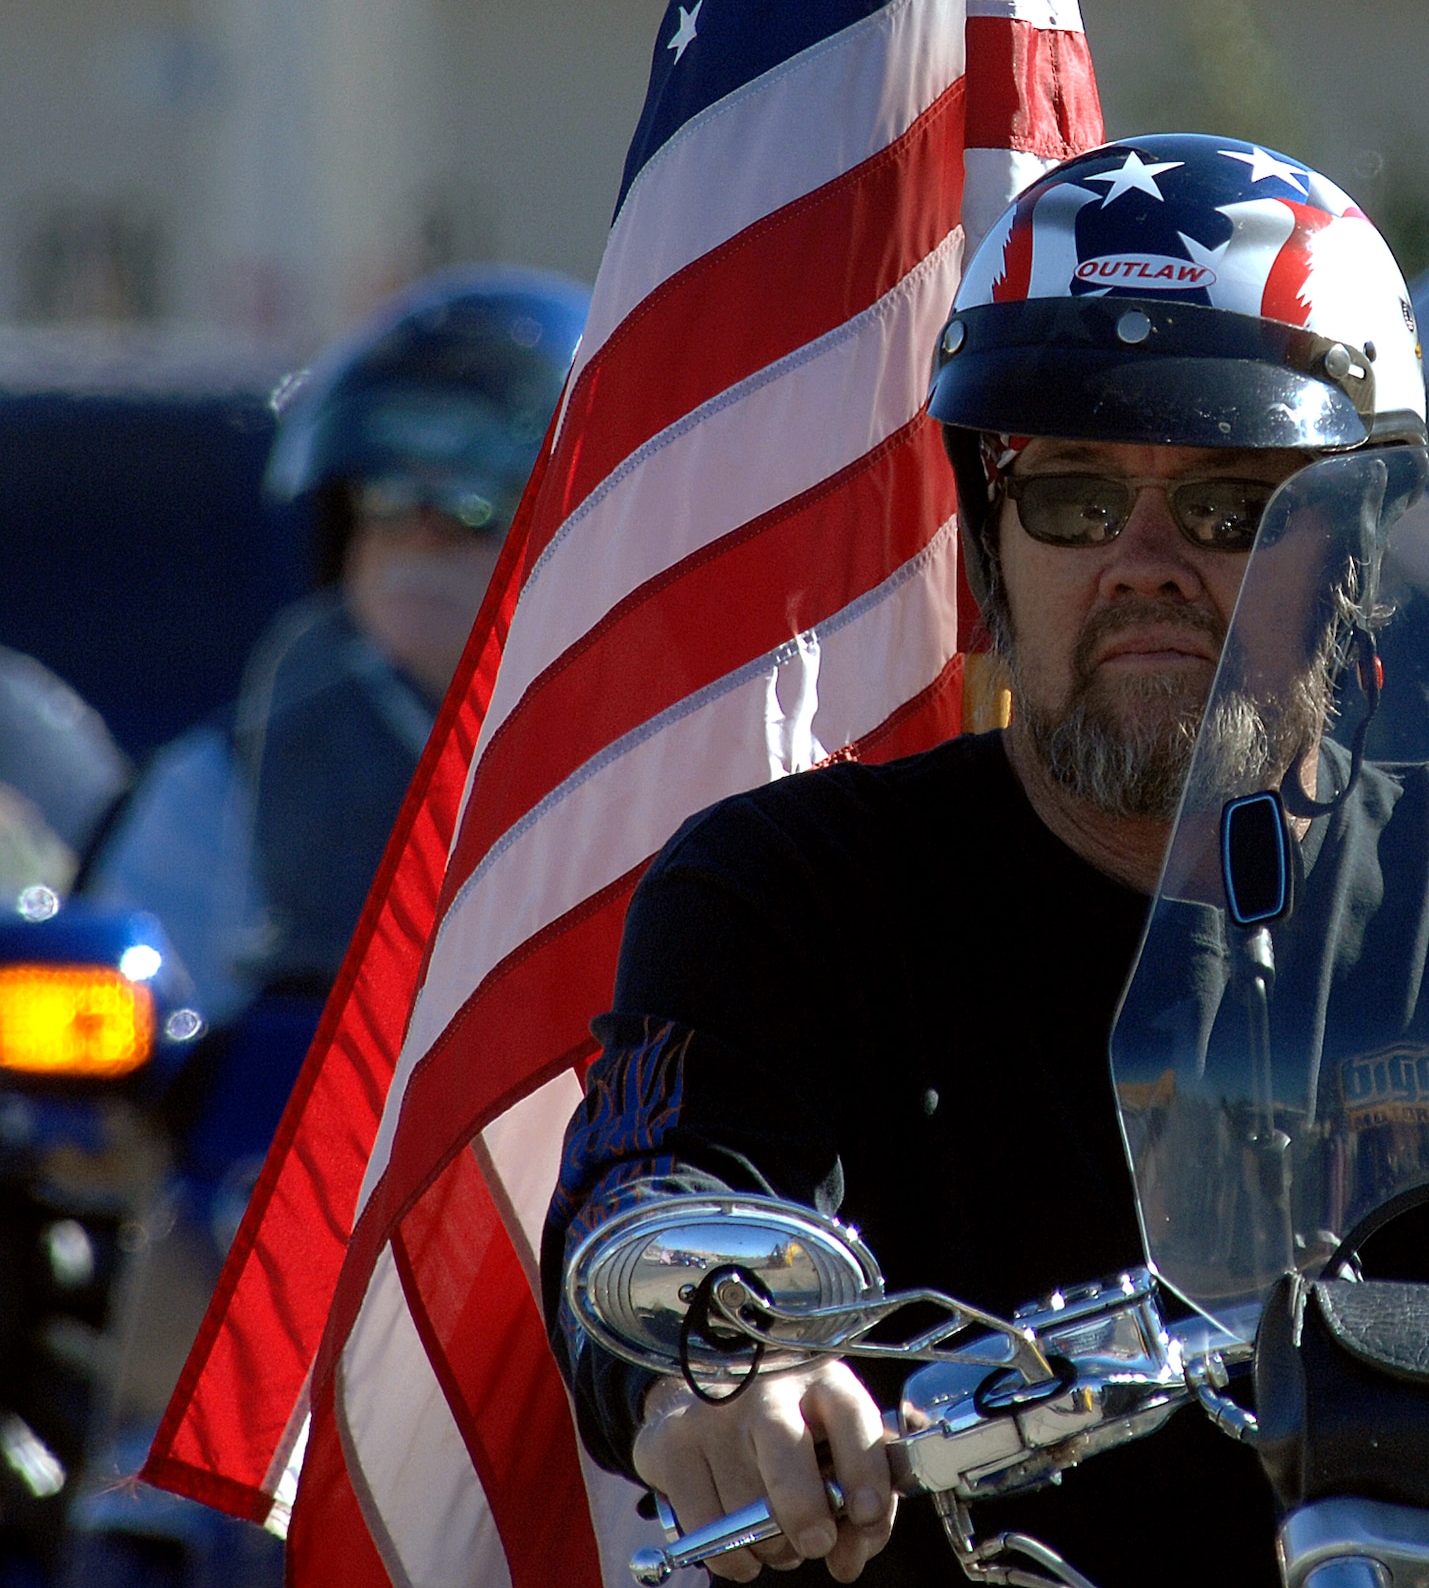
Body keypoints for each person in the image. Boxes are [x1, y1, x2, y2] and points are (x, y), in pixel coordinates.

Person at [541, 135, 1428, 1588]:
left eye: (1228, 501)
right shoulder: (793, 896)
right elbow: (656, 1182)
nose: (1144, 557)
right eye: (1073, 494)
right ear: (990, 539)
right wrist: (721, 1370)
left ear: (1357, 547)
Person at [89, 264, 589, 1021]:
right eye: (386, 496)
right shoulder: (229, 781)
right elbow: (145, 1037)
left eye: (475, 502)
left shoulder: (651, 759)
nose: (422, 532)